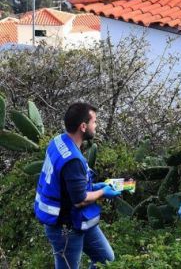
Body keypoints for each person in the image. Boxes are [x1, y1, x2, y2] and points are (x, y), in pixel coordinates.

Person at [34, 102, 123, 269]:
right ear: (83, 126)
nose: (96, 126)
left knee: (106, 260)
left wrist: (98, 186)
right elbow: (80, 200)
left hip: (79, 220)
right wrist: (103, 192)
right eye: (94, 122)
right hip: (65, 228)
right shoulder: (73, 159)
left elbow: (69, 186)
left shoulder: (58, 141)